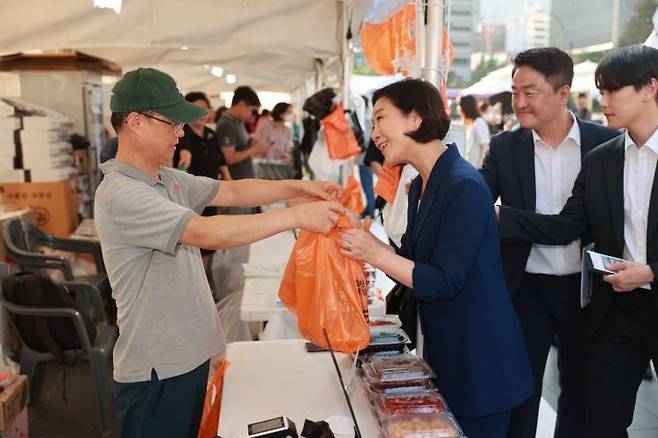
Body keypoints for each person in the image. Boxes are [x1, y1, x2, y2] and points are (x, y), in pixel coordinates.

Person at [94, 67, 344, 438]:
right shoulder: (122, 193)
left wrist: (300, 187)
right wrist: (296, 215)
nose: (181, 133)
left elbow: (234, 192)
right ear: (135, 122)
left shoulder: (165, 178)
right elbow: (205, 231)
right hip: (159, 367)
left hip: (186, 356)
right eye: (172, 123)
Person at [338, 78, 534, 438]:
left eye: (381, 118)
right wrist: (363, 239)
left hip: (481, 361)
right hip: (447, 352)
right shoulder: (421, 187)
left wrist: (371, 251)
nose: (375, 133)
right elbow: (411, 265)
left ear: (415, 118)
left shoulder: (465, 185)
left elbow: (443, 280)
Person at [496, 45, 658, 438]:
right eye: (600, 92)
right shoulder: (604, 158)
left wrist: (651, 271)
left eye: (612, 91)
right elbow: (566, 225)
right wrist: (487, 212)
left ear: (649, 88)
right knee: (600, 420)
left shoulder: (597, 146)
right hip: (616, 307)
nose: (602, 102)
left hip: (637, 292)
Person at [479, 47, 621, 438]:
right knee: (521, 390)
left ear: (562, 93)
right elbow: (476, 202)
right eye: (514, 92)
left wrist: (503, 218)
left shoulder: (605, 144)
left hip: (588, 288)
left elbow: (579, 225)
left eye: (530, 91)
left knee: (580, 391)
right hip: (526, 287)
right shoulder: (505, 147)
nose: (519, 102)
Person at [172, 91, 231, 301]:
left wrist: (228, 180)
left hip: (213, 193)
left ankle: (208, 285)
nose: (201, 114)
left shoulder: (210, 134)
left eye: (204, 109)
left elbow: (222, 160)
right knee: (198, 242)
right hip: (192, 196)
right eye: (196, 109)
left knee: (211, 244)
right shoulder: (183, 134)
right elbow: (183, 156)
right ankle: (202, 288)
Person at [216, 86, 268, 180]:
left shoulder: (237, 122)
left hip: (243, 178)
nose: (252, 115)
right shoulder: (226, 124)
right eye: (252, 111)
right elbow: (229, 158)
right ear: (242, 104)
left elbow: (239, 147)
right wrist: (254, 150)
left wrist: (251, 143)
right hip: (236, 181)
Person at [459, 94, 490, 166]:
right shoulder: (472, 123)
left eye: (460, 106)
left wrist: (480, 168)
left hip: (476, 169)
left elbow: (485, 146)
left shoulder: (479, 122)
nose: (459, 109)